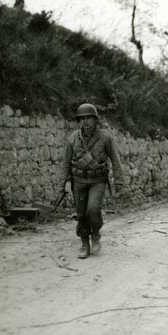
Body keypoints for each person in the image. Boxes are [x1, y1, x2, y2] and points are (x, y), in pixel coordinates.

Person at [58, 103, 124, 259]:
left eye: (89, 118)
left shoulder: (105, 137)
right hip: (79, 180)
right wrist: (62, 186)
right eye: (82, 119)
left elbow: (115, 160)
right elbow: (65, 163)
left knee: (93, 209)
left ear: (95, 120)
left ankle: (95, 235)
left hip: (97, 180)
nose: (85, 121)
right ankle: (84, 244)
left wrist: (119, 183)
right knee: (81, 214)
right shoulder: (73, 138)